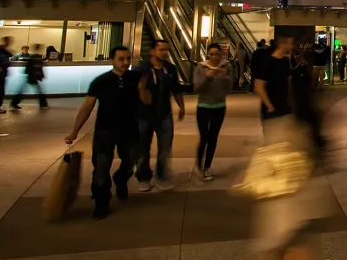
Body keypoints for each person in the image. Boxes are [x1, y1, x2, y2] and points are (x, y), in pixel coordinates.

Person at [236, 34, 332, 260]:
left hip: (287, 217)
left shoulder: (288, 127)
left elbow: (272, 173)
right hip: (295, 216)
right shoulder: (308, 124)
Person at [65, 45, 142, 220]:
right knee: (101, 168)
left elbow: (147, 99)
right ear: (111, 60)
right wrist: (74, 132)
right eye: (121, 59)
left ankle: (121, 179)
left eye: (128, 59)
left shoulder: (137, 78)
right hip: (104, 131)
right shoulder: (101, 82)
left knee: (130, 161)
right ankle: (101, 204)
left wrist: (142, 87)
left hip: (130, 130)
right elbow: (87, 108)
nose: (126, 63)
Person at [135, 39, 184, 192]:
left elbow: (176, 89)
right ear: (152, 51)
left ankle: (161, 175)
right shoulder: (141, 69)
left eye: (166, 49)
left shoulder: (170, 69)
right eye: (161, 49)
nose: (164, 52)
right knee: (143, 147)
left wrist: (181, 106)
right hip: (144, 115)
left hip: (164, 114)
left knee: (165, 147)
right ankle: (143, 177)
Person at [193, 43, 232, 181]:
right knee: (204, 137)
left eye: (217, 54)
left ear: (222, 54)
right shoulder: (201, 67)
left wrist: (225, 77)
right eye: (211, 54)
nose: (214, 57)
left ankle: (206, 167)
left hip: (219, 106)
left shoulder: (226, 66)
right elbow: (197, 88)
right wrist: (207, 77)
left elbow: (229, 87)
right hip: (203, 106)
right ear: (208, 54)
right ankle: (199, 165)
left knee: (213, 137)